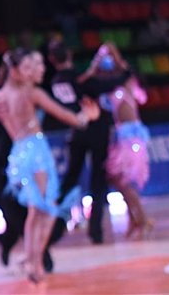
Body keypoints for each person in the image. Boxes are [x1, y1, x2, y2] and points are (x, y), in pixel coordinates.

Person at [0, 49, 98, 284]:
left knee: (38, 211)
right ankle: (34, 262)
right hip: (35, 153)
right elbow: (71, 118)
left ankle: (32, 260)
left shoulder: (0, 95)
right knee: (45, 211)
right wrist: (88, 115)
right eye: (27, 67)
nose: (34, 71)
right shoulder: (31, 93)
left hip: (18, 154)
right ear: (14, 71)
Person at [47, 39, 132, 245]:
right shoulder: (80, 78)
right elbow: (111, 83)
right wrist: (125, 70)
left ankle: (54, 227)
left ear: (52, 59)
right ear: (69, 55)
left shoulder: (56, 81)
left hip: (76, 130)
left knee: (70, 179)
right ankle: (95, 230)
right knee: (98, 180)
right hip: (96, 130)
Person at [106, 74, 154, 238]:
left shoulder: (122, 90)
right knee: (117, 179)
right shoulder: (125, 91)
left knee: (124, 181)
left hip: (129, 140)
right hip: (124, 139)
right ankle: (134, 219)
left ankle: (142, 219)